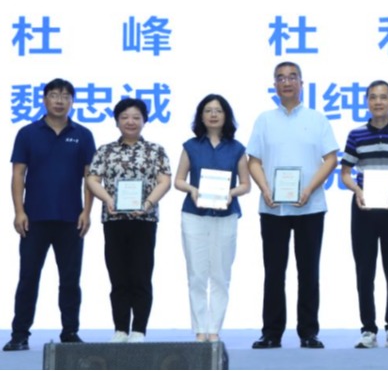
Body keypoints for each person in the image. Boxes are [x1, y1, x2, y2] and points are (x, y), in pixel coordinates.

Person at [247, 62, 339, 349]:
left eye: (292, 77)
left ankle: (308, 332)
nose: (286, 82)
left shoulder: (317, 119)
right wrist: (265, 189)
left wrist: (309, 189)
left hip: (310, 207)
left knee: (308, 271)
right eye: (280, 78)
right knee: (274, 271)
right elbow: (253, 161)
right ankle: (271, 333)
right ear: (274, 85)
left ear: (301, 83)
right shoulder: (264, 120)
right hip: (273, 207)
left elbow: (331, 159)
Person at [4, 79, 96, 352]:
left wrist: (87, 211)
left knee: (70, 279)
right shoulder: (28, 133)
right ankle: (20, 334)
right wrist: (19, 211)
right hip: (34, 218)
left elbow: (90, 176)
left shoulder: (83, 134)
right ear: (44, 100)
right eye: (54, 95)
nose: (59, 101)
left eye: (66, 96)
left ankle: (70, 332)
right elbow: (18, 174)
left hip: (71, 218)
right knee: (28, 277)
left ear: (72, 102)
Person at [86, 98, 172, 343]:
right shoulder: (105, 150)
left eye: (136, 117)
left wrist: (147, 204)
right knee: (118, 276)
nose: (130, 122)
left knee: (141, 275)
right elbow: (92, 179)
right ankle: (120, 329)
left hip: (144, 220)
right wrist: (108, 199)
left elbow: (164, 181)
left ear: (144, 120)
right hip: (114, 220)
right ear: (116, 121)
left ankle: (139, 330)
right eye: (124, 117)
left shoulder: (155, 150)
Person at [341, 80, 388, 349]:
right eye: (373, 97)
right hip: (363, 207)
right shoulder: (356, 135)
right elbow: (345, 172)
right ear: (367, 102)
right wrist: (357, 190)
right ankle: (368, 329)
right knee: (365, 270)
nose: (378, 102)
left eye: (383, 97)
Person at [173, 94, 251, 342]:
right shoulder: (191, 146)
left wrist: (231, 193)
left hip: (225, 215)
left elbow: (246, 184)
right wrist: (192, 189)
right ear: (201, 116)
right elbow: (178, 180)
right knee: (196, 274)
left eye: (218, 110)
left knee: (220, 274)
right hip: (194, 215)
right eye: (208, 110)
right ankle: (199, 329)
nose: (213, 115)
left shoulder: (237, 148)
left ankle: (214, 329)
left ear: (226, 116)